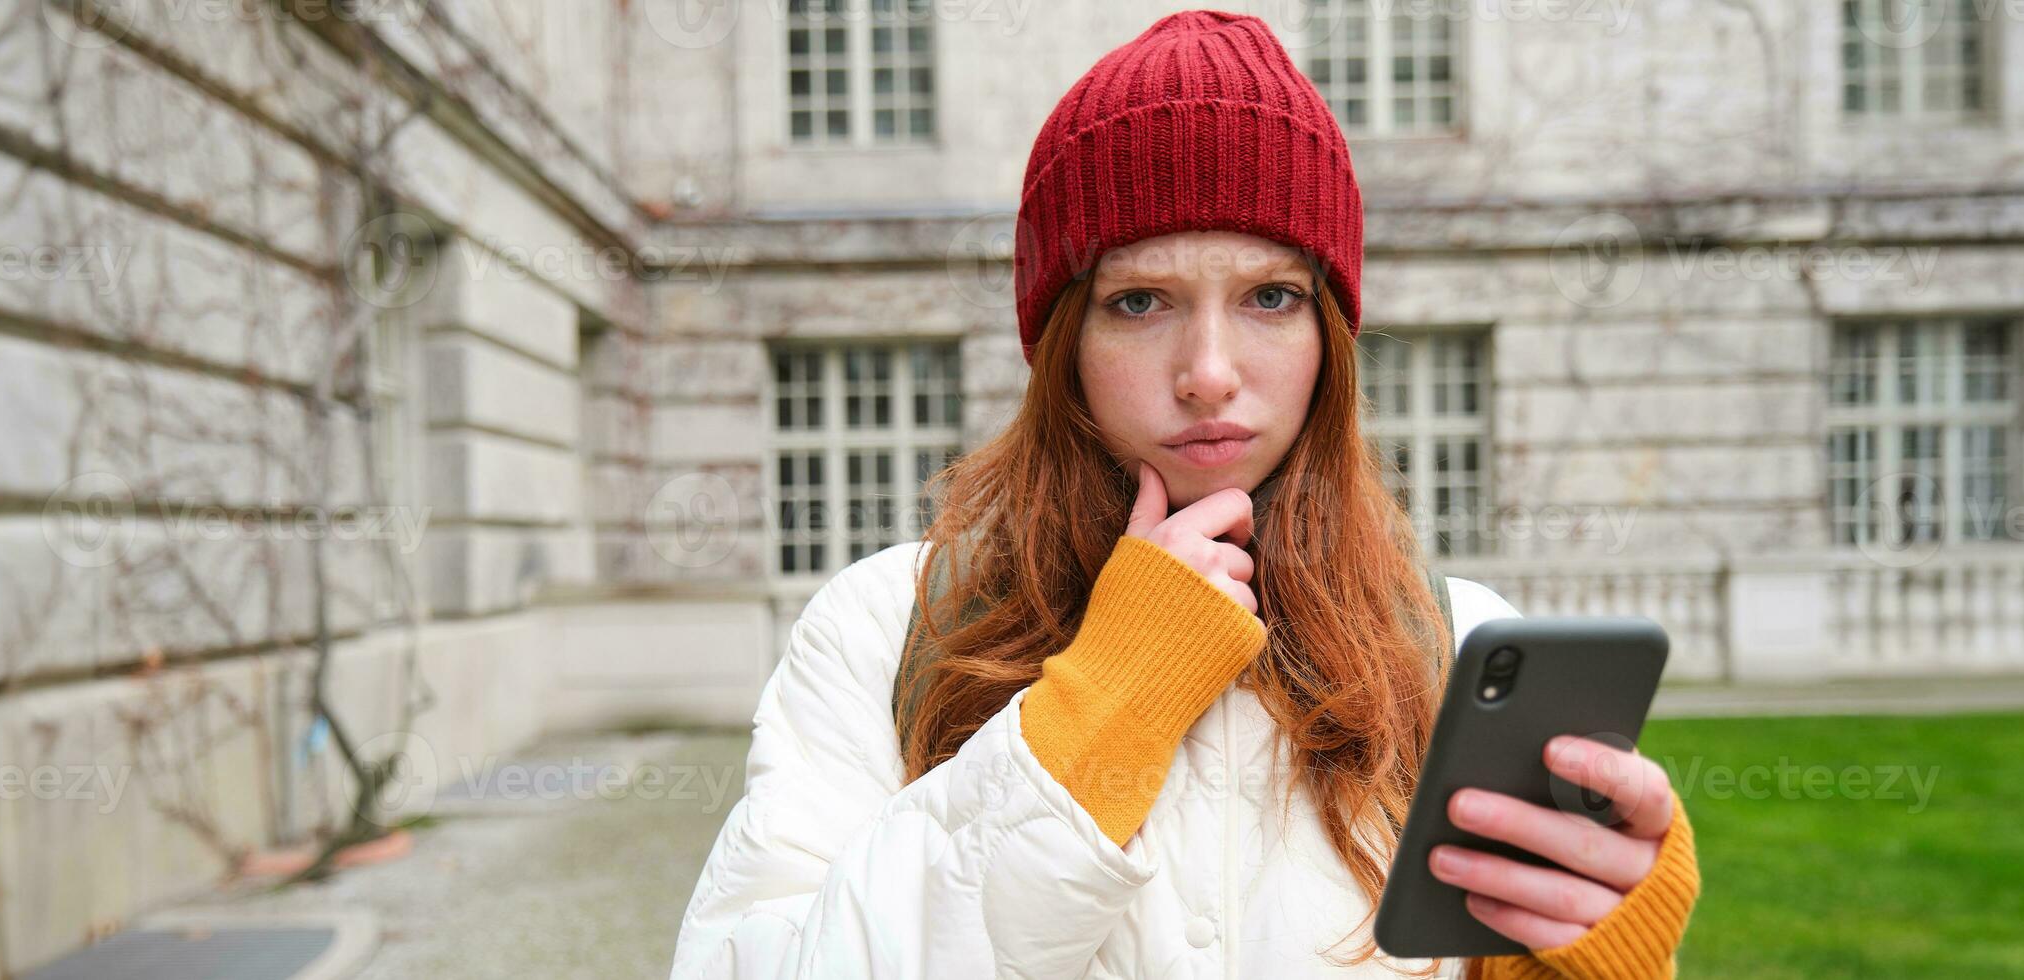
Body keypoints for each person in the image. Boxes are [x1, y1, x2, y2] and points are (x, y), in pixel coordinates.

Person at [670, 10, 1698, 978]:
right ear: (1061, 339)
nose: (1207, 369)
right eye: (1137, 300)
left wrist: (1594, 942)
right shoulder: (887, 625)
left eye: (1268, 296)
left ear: (1326, 336)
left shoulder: (1455, 643)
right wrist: (1091, 716)